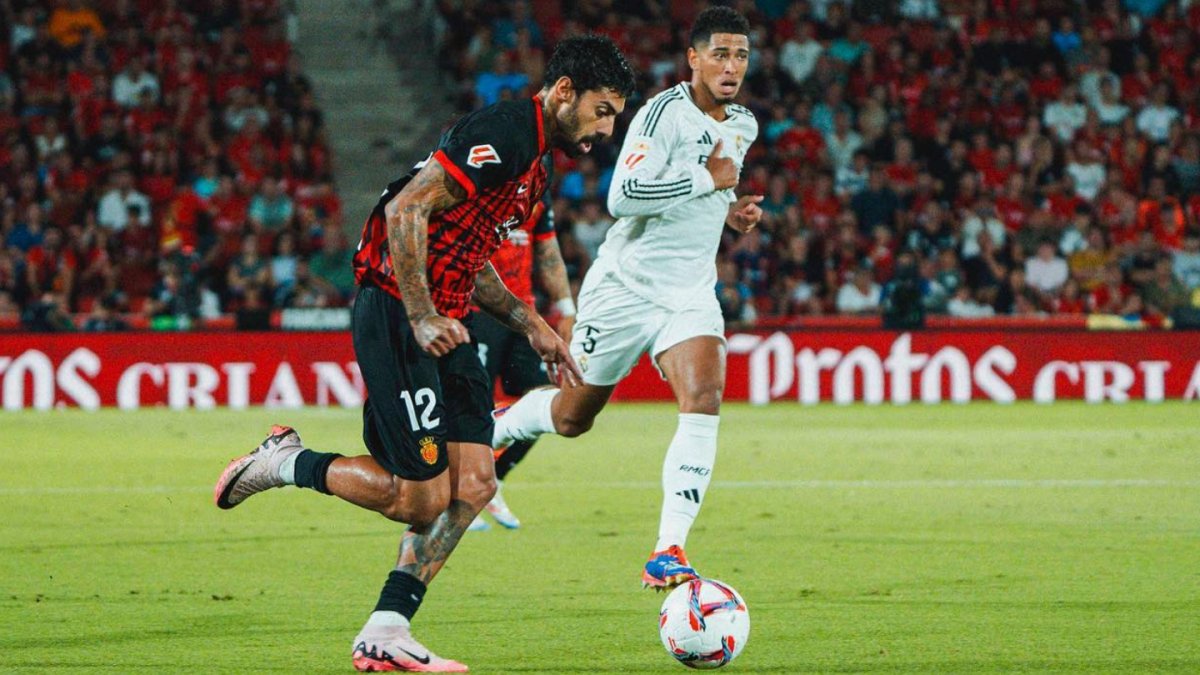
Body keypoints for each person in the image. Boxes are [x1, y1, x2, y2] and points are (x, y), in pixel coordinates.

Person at [213, 34, 634, 673]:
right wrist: (421, 312)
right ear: (565, 92)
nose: (608, 128)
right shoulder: (506, 132)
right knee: (418, 499)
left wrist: (531, 324)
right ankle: (288, 461)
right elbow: (406, 208)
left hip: (450, 319)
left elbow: (470, 252)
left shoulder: (534, 165)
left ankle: (387, 628)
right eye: (603, 110)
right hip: (398, 314)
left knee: (476, 481)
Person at [491, 6, 763, 591]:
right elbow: (624, 195)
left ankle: (669, 548)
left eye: (741, 54)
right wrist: (706, 183)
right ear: (693, 59)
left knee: (706, 393)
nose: (731, 65)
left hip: (689, 289)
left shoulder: (744, 123)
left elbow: (717, 181)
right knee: (571, 418)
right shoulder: (661, 112)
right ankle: (505, 422)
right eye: (720, 53)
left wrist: (731, 209)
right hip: (625, 287)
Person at [468, 184, 576, 531]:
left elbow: (549, 254)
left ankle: (490, 481)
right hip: (479, 310)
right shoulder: (478, 189)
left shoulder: (534, 200)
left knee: (544, 400)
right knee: (471, 409)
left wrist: (567, 309)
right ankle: (455, 496)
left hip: (523, 316)